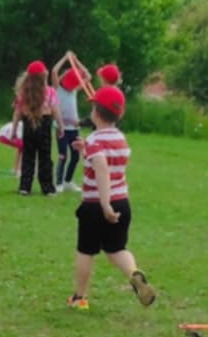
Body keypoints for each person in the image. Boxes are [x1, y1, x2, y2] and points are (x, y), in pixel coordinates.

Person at [68, 86, 156, 311]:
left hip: (96, 205)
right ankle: (133, 273)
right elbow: (107, 160)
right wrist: (84, 151)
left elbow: (101, 168)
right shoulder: (120, 139)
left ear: (96, 113)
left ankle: (79, 297)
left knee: (86, 251)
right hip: (122, 202)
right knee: (117, 248)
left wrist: (105, 204)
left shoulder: (95, 139)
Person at [11, 60, 56, 196]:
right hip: (45, 123)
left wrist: (14, 130)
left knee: (28, 156)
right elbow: (55, 110)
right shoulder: (50, 92)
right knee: (45, 157)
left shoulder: (24, 93)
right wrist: (61, 126)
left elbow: (17, 112)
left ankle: (25, 187)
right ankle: (47, 188)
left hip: (28, 124)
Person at [49, 57, 84, 190]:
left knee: (75, 156)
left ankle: (68, 181)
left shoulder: (74, 90)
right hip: (61, 128)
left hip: (74, 129)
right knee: (63, 155)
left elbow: (88, 76)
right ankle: (59, 183)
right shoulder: (57, 88)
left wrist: (75, 61)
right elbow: (54, 71)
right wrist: (65, 58)